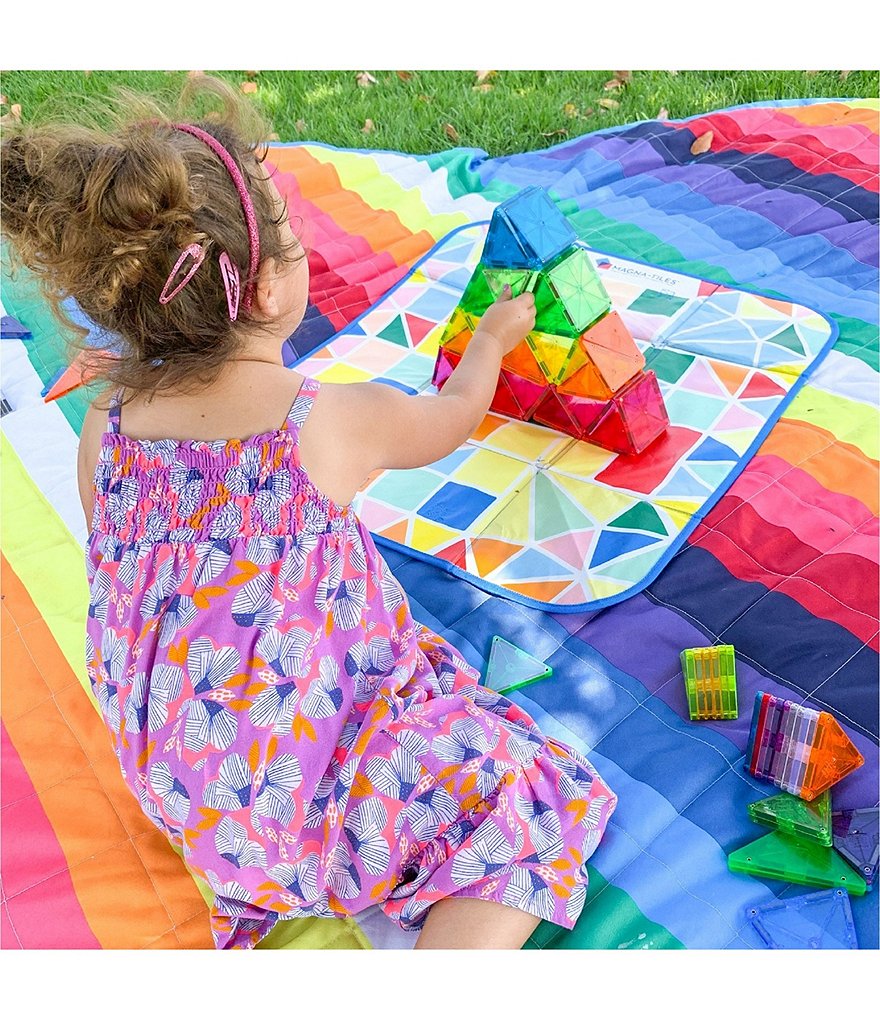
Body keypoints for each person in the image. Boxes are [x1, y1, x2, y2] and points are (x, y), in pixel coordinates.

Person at [1, 77, 617, 950]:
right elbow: (447, 422)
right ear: (260, 294)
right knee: (514, 809)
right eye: (289, 241)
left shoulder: (106, 418)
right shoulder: (323, 419)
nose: (304, 252)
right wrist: (487, 345)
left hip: (188, 796)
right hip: (303, 804)